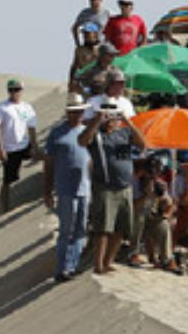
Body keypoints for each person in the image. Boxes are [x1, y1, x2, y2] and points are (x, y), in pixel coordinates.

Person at [79, 99, 145, 274]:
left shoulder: (123, 133)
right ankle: (98, 264)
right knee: (103, 228)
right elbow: (83, 141)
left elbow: (142, 143)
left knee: (121, 228)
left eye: (113, 114)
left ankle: (108, 261)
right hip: (105, 187)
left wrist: (127, 120)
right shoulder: (97, 135)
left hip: (124, 187)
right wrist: (97, 120)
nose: (111, 118)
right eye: (108, 114)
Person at [42, 94, 92, 282]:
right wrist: (47, 190)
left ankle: (73, 265)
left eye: (80, 111)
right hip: (65, 188)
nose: (77, 115)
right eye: (73, 112)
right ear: (67, 112)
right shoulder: (57, 133)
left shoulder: (88, 132)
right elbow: (48, 163)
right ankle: (61, 268)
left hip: (84, 187)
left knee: (80, 229)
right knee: (66, 230)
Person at [0, 78, 40, 214]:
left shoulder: (27, 107)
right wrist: (0, 149)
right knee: (8, 180)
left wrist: (35, 146)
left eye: (17, 89)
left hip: (25, 145)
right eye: (11, 90)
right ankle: (4, 209)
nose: (14, 92)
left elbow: (31, 127)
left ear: (22, 90)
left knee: (45, 156)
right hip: (10, 149)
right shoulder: (1, 107)